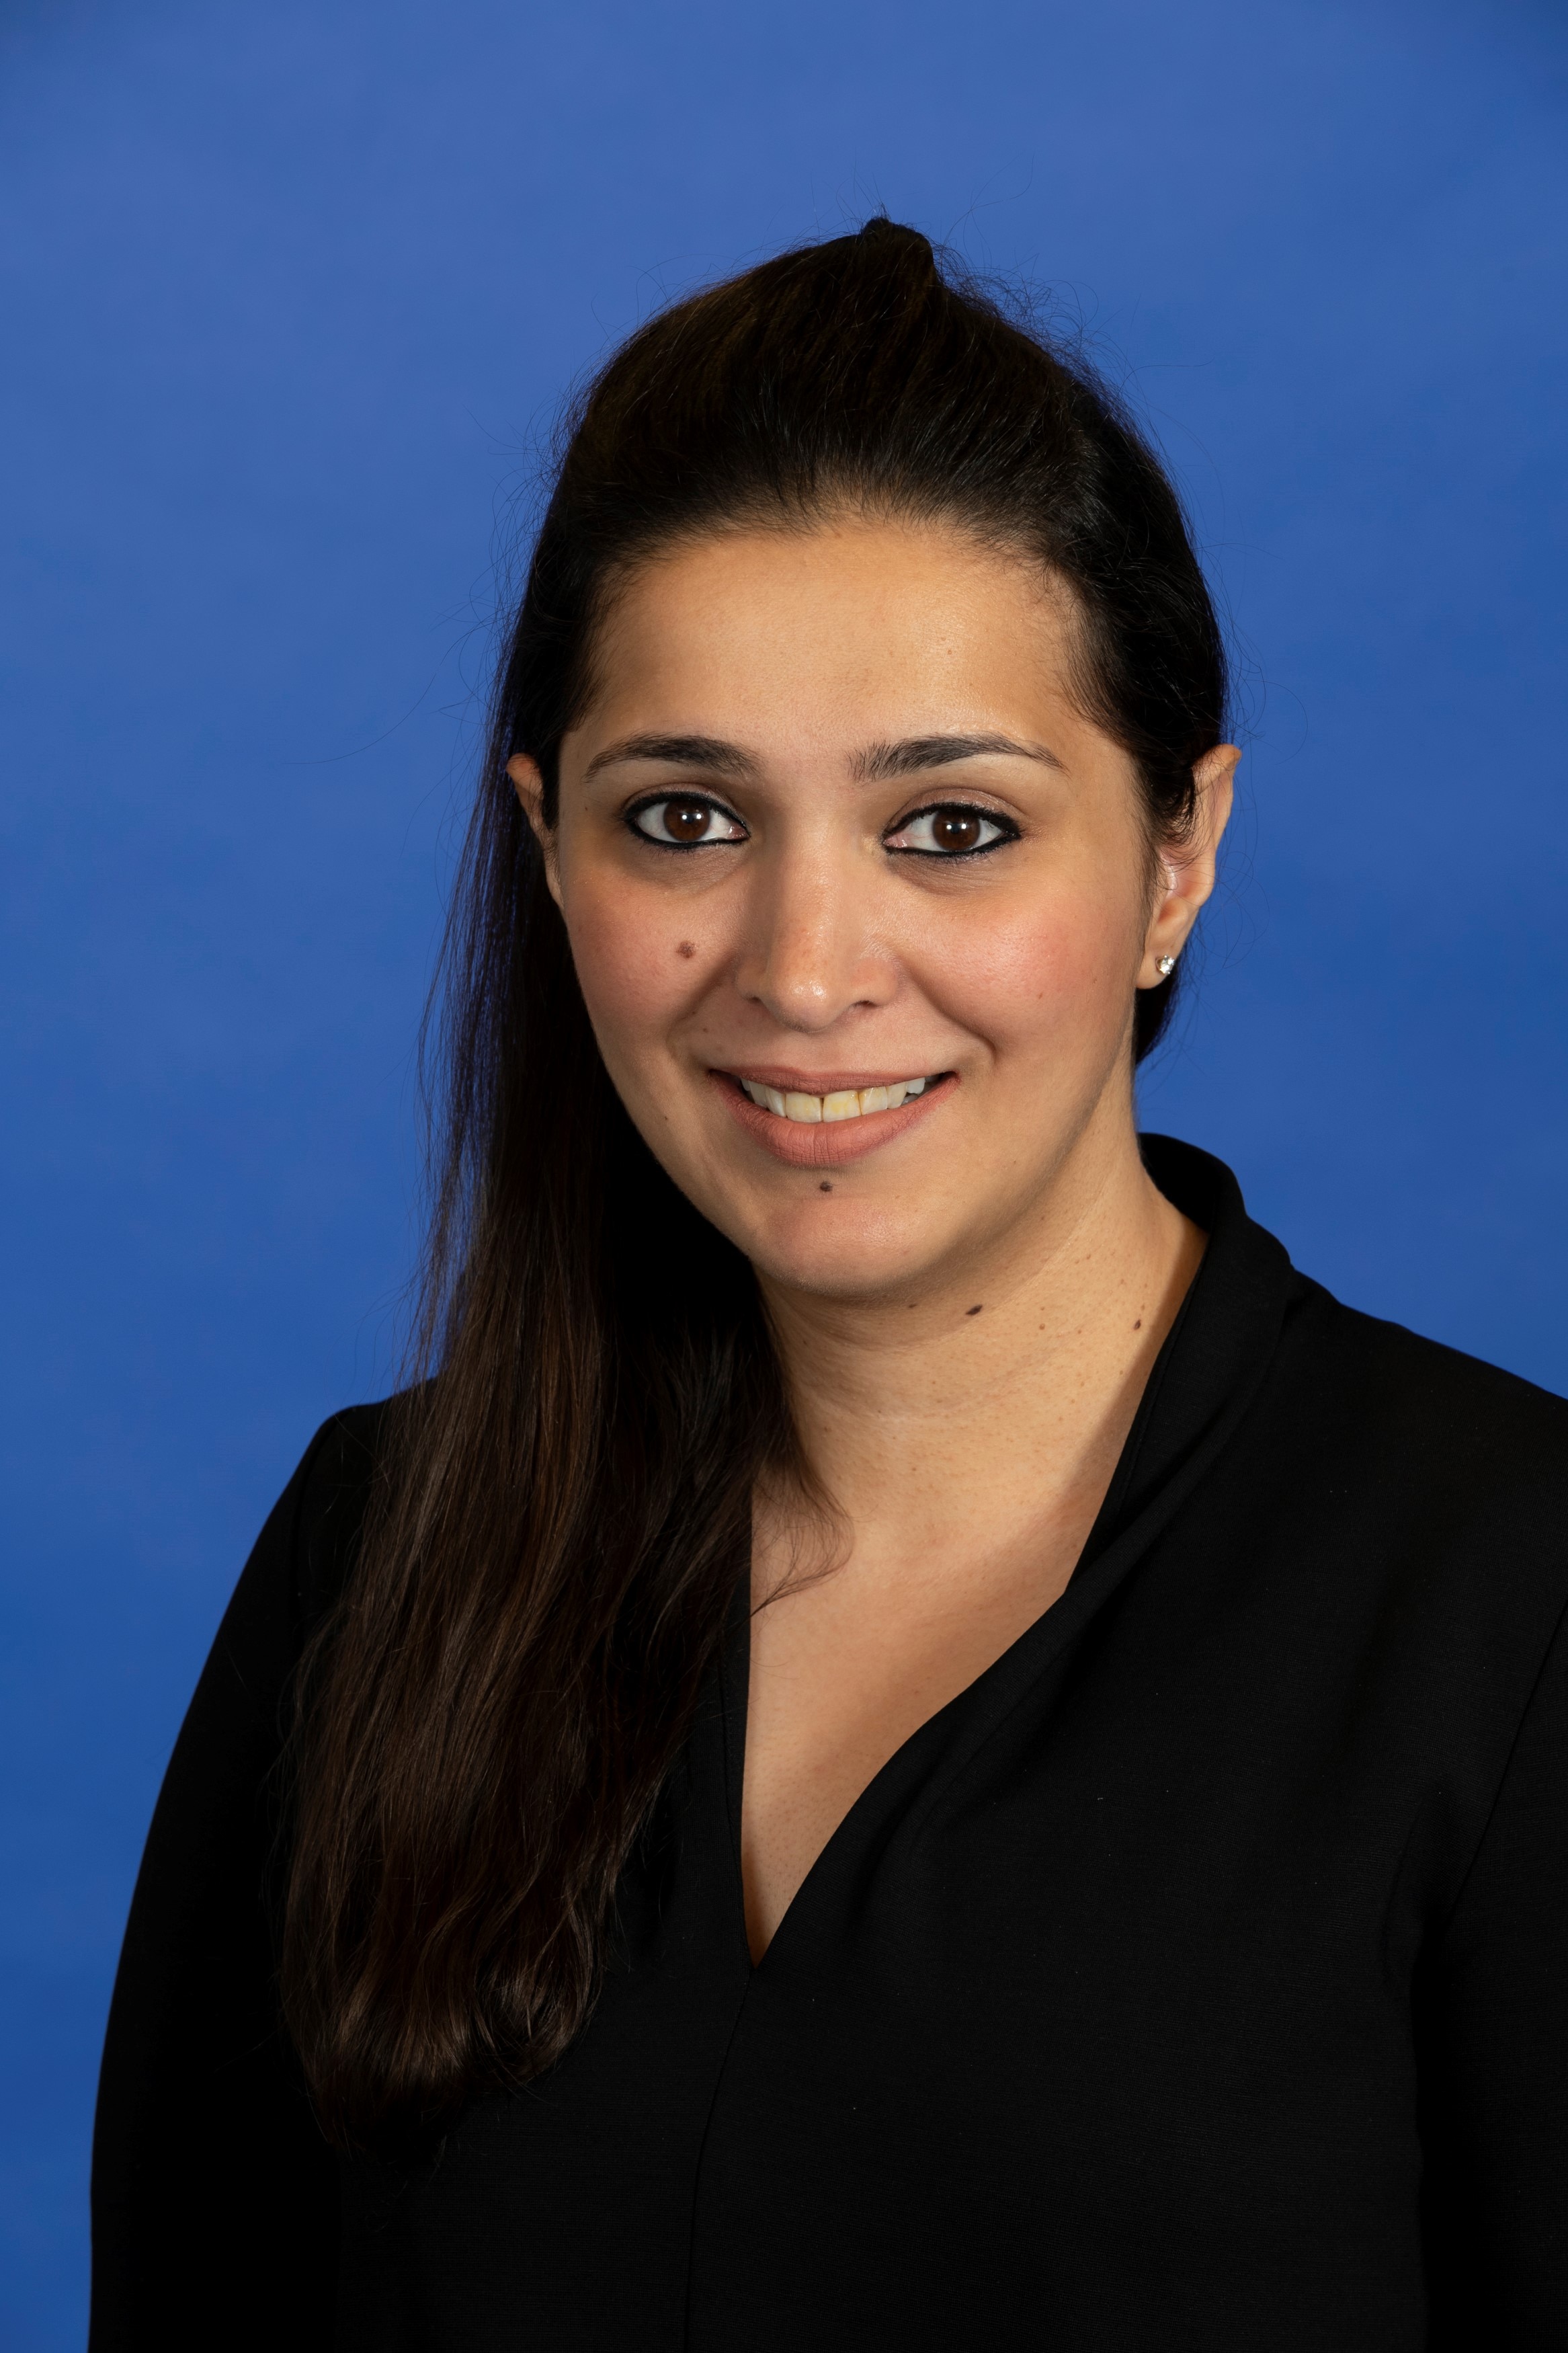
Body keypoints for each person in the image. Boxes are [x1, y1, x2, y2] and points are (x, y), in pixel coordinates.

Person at [90, 219, 1567, 2351]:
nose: (801, 969)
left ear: (1179, 851)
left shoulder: (1515, 1608)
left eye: (950, 826)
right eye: (684, 816)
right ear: (547, 841)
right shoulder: (372, 1556)